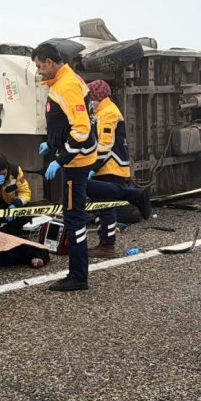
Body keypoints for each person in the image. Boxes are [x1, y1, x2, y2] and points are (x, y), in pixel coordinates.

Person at [32, 42, 97, 292]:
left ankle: (78, 276)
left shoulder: (67, 85)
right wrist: (52, 143)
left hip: (76, 163)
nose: (38, 71)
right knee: (74, 215)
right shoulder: (64, 81)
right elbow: (66, 123)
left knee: (74, 220)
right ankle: (77, 273)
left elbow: (81, 129)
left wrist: (61, 159)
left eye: (39, 66)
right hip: (76, 159)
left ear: (50, 62)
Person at [83, 80, 152, 258]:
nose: (89, 102)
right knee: (103, 206)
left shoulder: (108, 113)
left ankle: (106, 245)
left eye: (91, 98)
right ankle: (105, 243)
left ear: (98, 97)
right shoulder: (102, 112)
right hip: (108, 166)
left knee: (105, 208)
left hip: (110, 166)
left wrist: (92, 167)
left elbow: (105, 145)